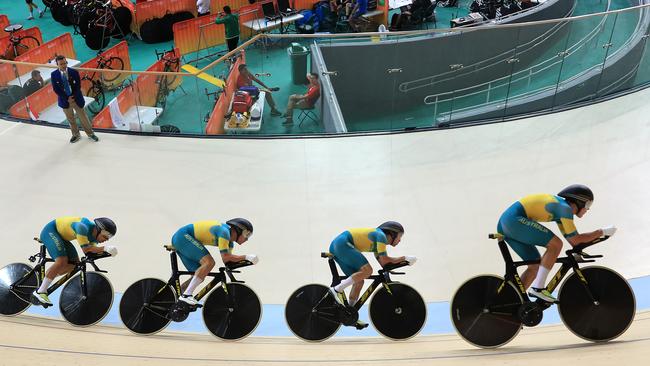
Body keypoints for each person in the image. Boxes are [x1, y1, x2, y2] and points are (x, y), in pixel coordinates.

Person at [496, 184, 616, 303]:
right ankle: (538, 288)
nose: (588, 209)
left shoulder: (561, 211)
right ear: (580, 201)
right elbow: (576, 240)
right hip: (513, 220)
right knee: (556, 244)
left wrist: (595, 238)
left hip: (507, 223)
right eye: (588, 205)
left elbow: (573, 241)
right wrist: (602, 231)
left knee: (535, 266)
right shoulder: (565, 209)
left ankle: (508, 302)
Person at [328, 221, 416, 327]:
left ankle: (349, 313)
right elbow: (385, 260)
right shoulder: (381, 236)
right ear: (393, 234)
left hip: (338, 245)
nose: (400, 240)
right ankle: (336, 289)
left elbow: (384, 262)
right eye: (400, 236)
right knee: (367, 271)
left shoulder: (378, 242)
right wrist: (404, 258)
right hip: (342, 244)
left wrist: (400, 263)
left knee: (359, 280)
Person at [171, 218, 258, 306]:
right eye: (247, 234)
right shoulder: (224, 232)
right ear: (239, 230)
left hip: (182, 238)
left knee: (199, 273)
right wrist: (246, 257)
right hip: (183, 236)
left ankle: (176, 295)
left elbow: (228, 262)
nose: (247, 239)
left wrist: (246, 262)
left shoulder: (230, 243)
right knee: (209, 263)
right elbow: (226, 257)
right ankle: (186, 296)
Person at [32, 217, 118, 306]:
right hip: (50, 231)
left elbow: (90, 253)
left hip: (62, 238)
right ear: (98, 229)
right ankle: (40, 291)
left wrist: (107, 253)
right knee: (62, 261)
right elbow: (87, 249)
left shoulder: (93, 237)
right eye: (105, 236)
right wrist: (105, 248)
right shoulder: (82, 227)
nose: (106, 239)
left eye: (109, 237)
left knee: (73, 264)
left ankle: (49, 277)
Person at [51, 55, 98, 143]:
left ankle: (90, 134)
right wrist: (67, 98)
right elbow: (56, 89)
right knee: (71, 119)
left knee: (83, 117)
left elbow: (78, 86)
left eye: (65, 63)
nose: (64, 65)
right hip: (65, 101)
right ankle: (75, 135)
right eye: (61, 64)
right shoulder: (54, 75)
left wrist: (73, 97)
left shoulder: (74, 72)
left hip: (76, 99)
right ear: (57, 64)